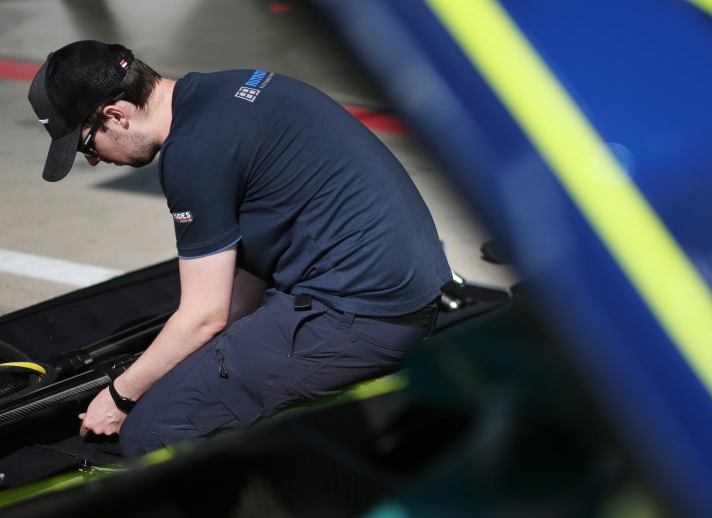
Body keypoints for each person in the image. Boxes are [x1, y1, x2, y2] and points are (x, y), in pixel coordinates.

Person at [28, 40, 453, 458]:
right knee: (185, 368)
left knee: (152, 432)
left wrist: (120, 395)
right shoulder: (230, 87)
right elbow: (252, 267)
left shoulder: (192, 153)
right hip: (412, 289)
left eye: (86, 145)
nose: (93, 161)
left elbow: (205, 316)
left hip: (366, 316)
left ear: (116, 115)